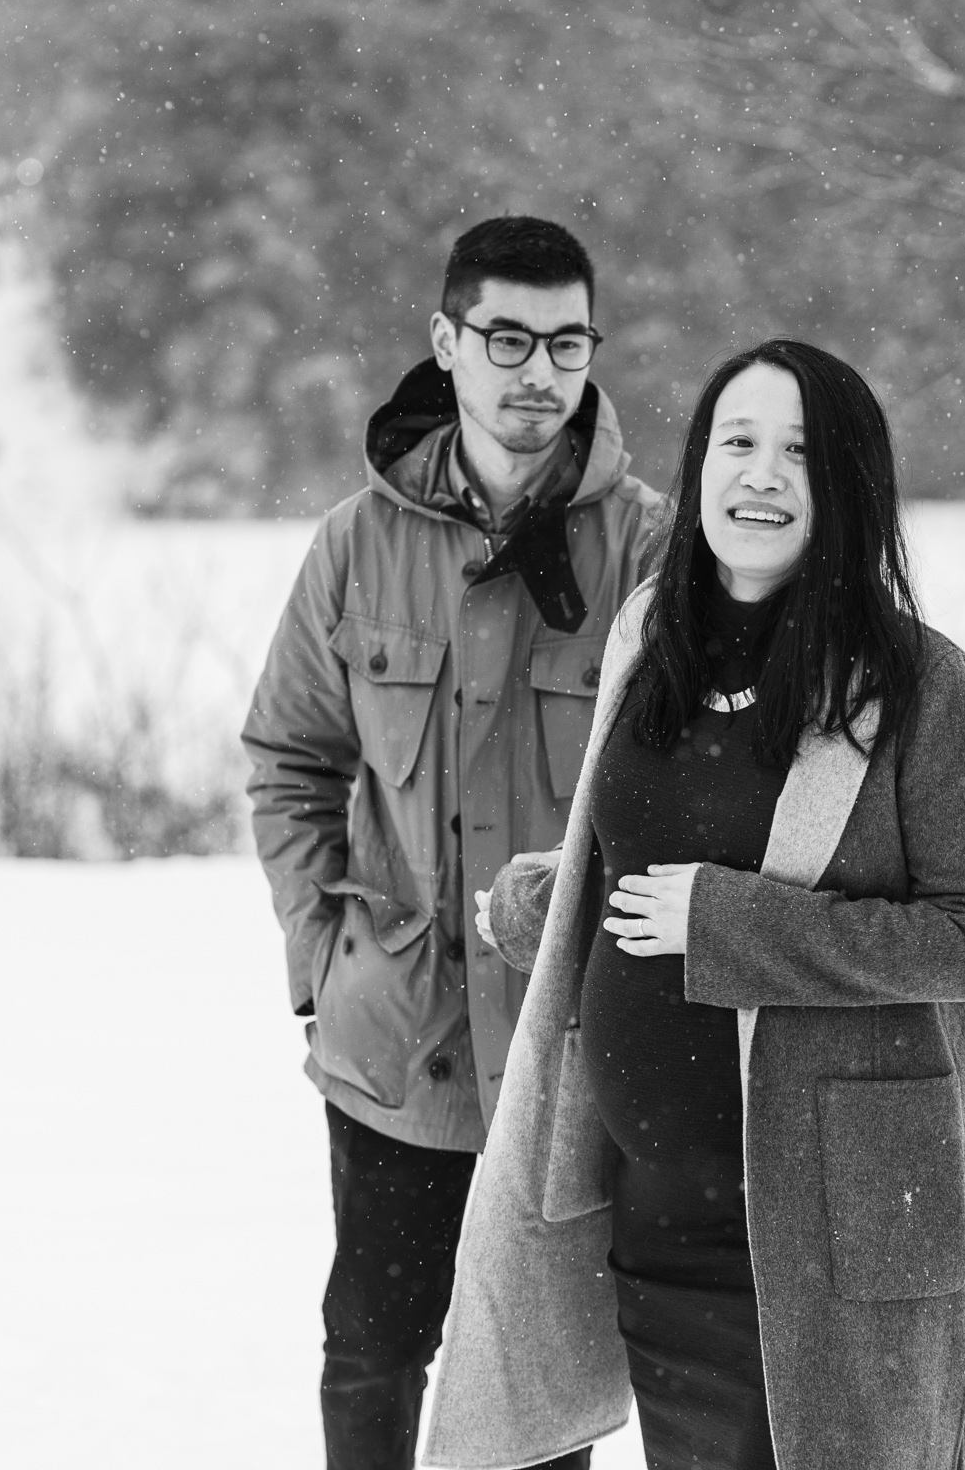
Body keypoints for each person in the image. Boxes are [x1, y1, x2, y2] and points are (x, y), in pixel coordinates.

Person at [421, 339, 965, 1470]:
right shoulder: (652, 641)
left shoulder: (922, 688)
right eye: (738, 442)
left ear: (848, 483)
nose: (761, 474)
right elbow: (642, 862)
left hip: (829, 1224)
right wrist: (538, 903)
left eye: (799, 452)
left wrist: (729, 926)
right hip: (652, 1208)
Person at [242, 217, 664, 1470]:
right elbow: (291, 758)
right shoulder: (357, 544)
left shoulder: (651, 549)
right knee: (372, 1350)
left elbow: (692, 787)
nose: (540, 372)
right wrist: (323, 956)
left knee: (535, 1380)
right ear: (447, 340)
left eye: (567, 343)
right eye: (508, 339)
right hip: (397, 1039)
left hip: (566, 1045)